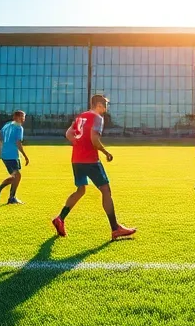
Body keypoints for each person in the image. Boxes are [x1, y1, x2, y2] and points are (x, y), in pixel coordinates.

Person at [52, 94, 136, 240]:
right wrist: (106, 152)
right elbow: (94, 139)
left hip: (76, 159)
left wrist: (79, 144)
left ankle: (60, 218)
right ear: (98, 105)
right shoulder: (97, 118)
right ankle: (115, 228)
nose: (105, 109)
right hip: (90, 160)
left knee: (81, 190)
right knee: (106, 191)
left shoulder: (80, 117)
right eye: (104, 106)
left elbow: (68, 134)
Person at [0, 110, 29, 204]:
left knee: (15, 176)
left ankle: (2, 191)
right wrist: (25, 156)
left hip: (6, 155)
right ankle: (10, 197)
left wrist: (0, 150)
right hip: (11, 155)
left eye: (24, 117)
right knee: (17, 175)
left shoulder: (7, 125)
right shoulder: (19, 128)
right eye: (22, 117)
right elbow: (18, 143)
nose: (23, 119)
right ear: (16, 117)